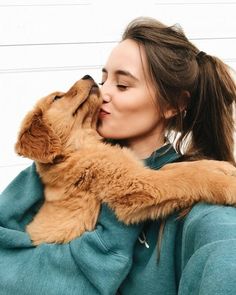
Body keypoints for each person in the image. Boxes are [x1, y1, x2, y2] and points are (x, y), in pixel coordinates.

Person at [0, 17, 236, 295]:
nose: (103, 91)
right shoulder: (53, 168)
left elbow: (224, 255)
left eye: (122, 85)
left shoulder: (203, 213)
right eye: (104, 79)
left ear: (175, 104)